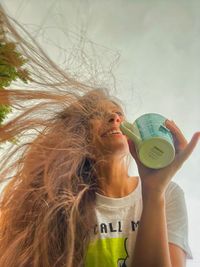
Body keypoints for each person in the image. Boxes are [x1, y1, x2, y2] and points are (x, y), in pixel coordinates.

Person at [0, 4, 199, 267]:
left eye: (118, 113)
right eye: (96, 114)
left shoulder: (168, 194)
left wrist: (153, 191)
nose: (113, 118)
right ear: (78, 136)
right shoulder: (63, 207)